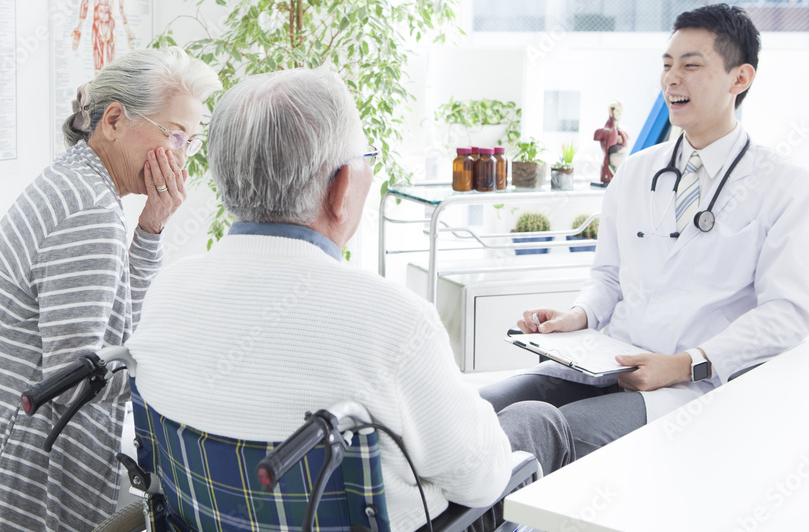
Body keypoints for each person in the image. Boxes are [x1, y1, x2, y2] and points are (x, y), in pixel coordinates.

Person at [127, 67, 574, 532]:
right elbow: (480, 482)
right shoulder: (394, 321)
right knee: (537, 421)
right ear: (341, 188)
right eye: (367, 158)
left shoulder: (166, 292)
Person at [481, 4, 809, 457]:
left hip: (686, 389)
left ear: (740, 79)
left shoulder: (785, 185)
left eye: (691, 65)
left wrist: (685, 365)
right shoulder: (636, 172)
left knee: (533, 430)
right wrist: (579, 315)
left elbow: (787, 314)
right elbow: (608, 278)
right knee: (477, 412)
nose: (673, 78)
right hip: (603, 364)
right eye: (667, 65)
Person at [0, 48, 221, 531]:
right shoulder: (89, 213)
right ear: (113, 120)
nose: (180, 158)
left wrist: (150, 230)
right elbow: (73, 386)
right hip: (4, 471)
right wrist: (182, 377)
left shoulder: (78, 180)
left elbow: (117, 333)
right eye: (173, 135)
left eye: (189, 142)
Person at [593, 100, 630, 184]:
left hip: (616, 170)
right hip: (609, 168)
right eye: (617, 110)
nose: (619, 113)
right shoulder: (605, 131)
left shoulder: (622, 131)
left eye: (620, 111)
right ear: (611, 111)